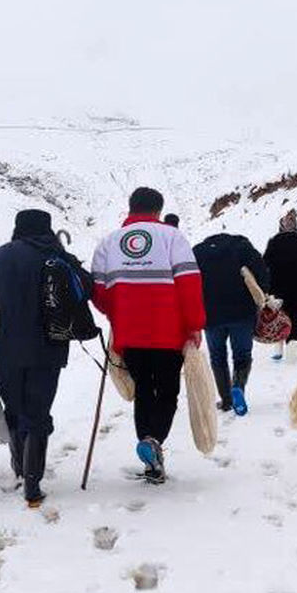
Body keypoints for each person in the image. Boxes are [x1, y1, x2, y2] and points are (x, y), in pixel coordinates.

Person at [0, 208, 92, 508]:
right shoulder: (57, 257)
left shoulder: (0, 257)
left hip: (7, 352)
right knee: (38, 411)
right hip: (49, 350)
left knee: (15, 408)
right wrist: (64, 255)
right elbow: (86, 289)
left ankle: (20, 467)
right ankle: (32, 482)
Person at [91, 187, 206, 483]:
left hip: (130, 335)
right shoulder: (173, 237)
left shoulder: (109, 242)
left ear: (130, 208)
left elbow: (99, 293)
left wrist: (119, 314)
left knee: (143, 391)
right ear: (158, 210)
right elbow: (189, 284)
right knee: (167, 392)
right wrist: (194, 325)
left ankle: (149, 453)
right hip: (170, 334)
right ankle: (153, 442)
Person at [193, 231, 269, 415]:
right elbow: (262, 272)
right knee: (242, 355)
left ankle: (226, 399)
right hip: (242, 313)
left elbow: (190, 281)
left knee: (217, 357)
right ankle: (238, 387)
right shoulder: (242, 246)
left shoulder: (198, 252)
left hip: (211, 316)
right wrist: (264, 295)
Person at [262, 208, 297, 359]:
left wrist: (267, 288)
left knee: (279, 317)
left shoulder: (273, 244)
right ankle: (294, 343)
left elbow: (265, 265)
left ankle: (278, 347)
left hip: (278, 288)